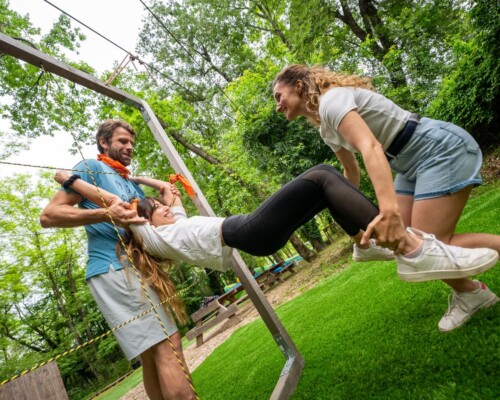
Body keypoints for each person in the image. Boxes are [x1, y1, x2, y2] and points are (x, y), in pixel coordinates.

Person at [53, 164, 498, 331]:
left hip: (248, 233)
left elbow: (172, 193)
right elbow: (112, 202)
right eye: (157, 212)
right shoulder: (150, 235)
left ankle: (366, 241)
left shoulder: (173, 219)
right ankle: (409, 245)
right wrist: (69, 181)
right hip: (244, 232)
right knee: (322, 174)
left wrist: (144, 181)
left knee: (324, 188)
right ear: (145, 223)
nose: (167, 211)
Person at [272, 64, 500, 332]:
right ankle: (472, 294)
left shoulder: (332, 100)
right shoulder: (325, 128)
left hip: (434, 147)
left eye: (279, 96)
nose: (277, 106)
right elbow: (350, 172)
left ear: (298, 86)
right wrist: (352, 220)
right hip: (405, 162)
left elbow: (370, 146)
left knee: (431, 242)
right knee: (408, 242)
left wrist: (388, 210)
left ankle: (472, 293)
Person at [40, 120, 196, 400]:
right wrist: (105, 214)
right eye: (123, 141)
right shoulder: (91, 167)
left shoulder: (128, 184)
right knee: (168, 344)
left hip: (135, 269)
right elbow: (49, 216)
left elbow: (157, 221)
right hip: (115, 269)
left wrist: (156, 188)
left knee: (152, 354)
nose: (129, 147)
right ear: (104, 142)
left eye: (131, 143)